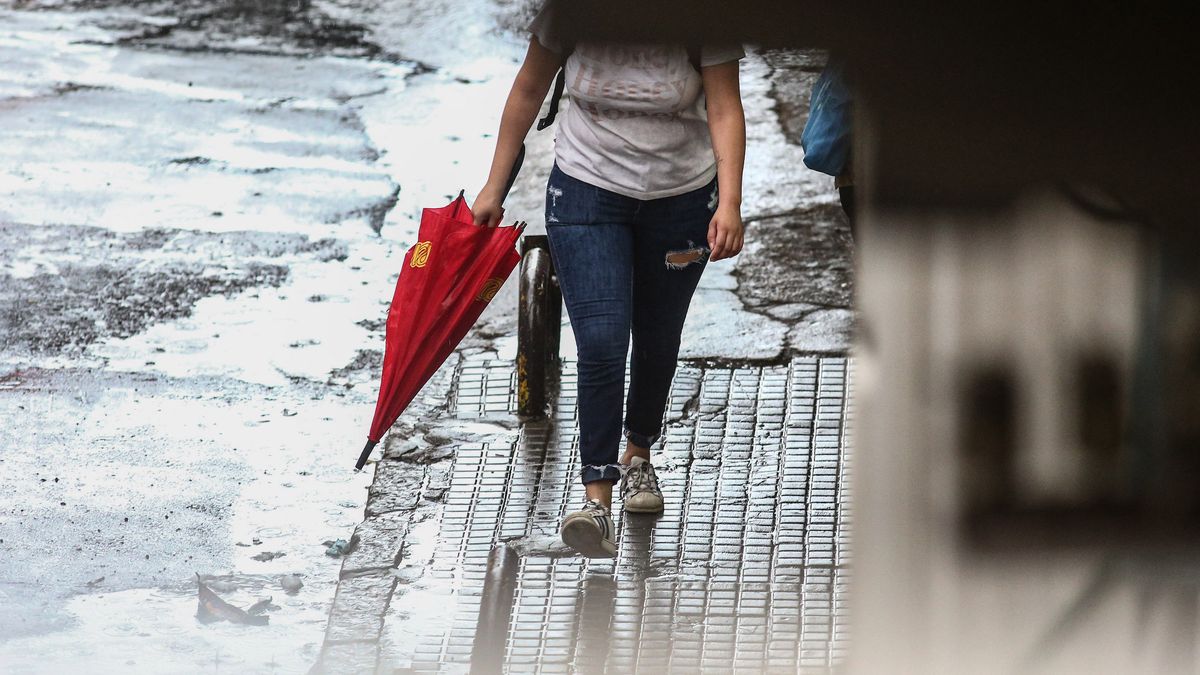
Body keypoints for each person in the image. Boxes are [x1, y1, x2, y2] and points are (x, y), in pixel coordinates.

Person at [472, 1, 747, 558]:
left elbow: (724, 107)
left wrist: (732, 203)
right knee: (601, 339)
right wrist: (493, 189)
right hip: (586, 190)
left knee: (658, 333)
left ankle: (638, 454)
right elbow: (528, 89)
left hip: (682, 200)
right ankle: (596, 500)